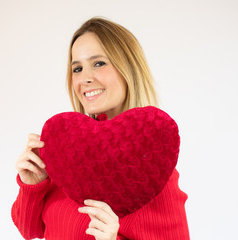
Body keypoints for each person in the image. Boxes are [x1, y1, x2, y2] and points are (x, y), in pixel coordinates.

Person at [11, 17, 190, 240]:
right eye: (77, 68)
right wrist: (33, 184)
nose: (85, 78)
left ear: (128, 69)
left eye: (99, 63)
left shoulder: (154, 167)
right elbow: (30, 230)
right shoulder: (66, 154)